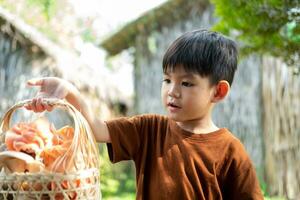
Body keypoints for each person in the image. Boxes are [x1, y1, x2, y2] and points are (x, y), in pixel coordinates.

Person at [25, 29, 263, 199]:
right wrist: (70, 93)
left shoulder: (230, 151)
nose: (172, 91)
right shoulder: (149, 129)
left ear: (218, 91)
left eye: (186, 84)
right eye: (167, 80)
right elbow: (97, 129)